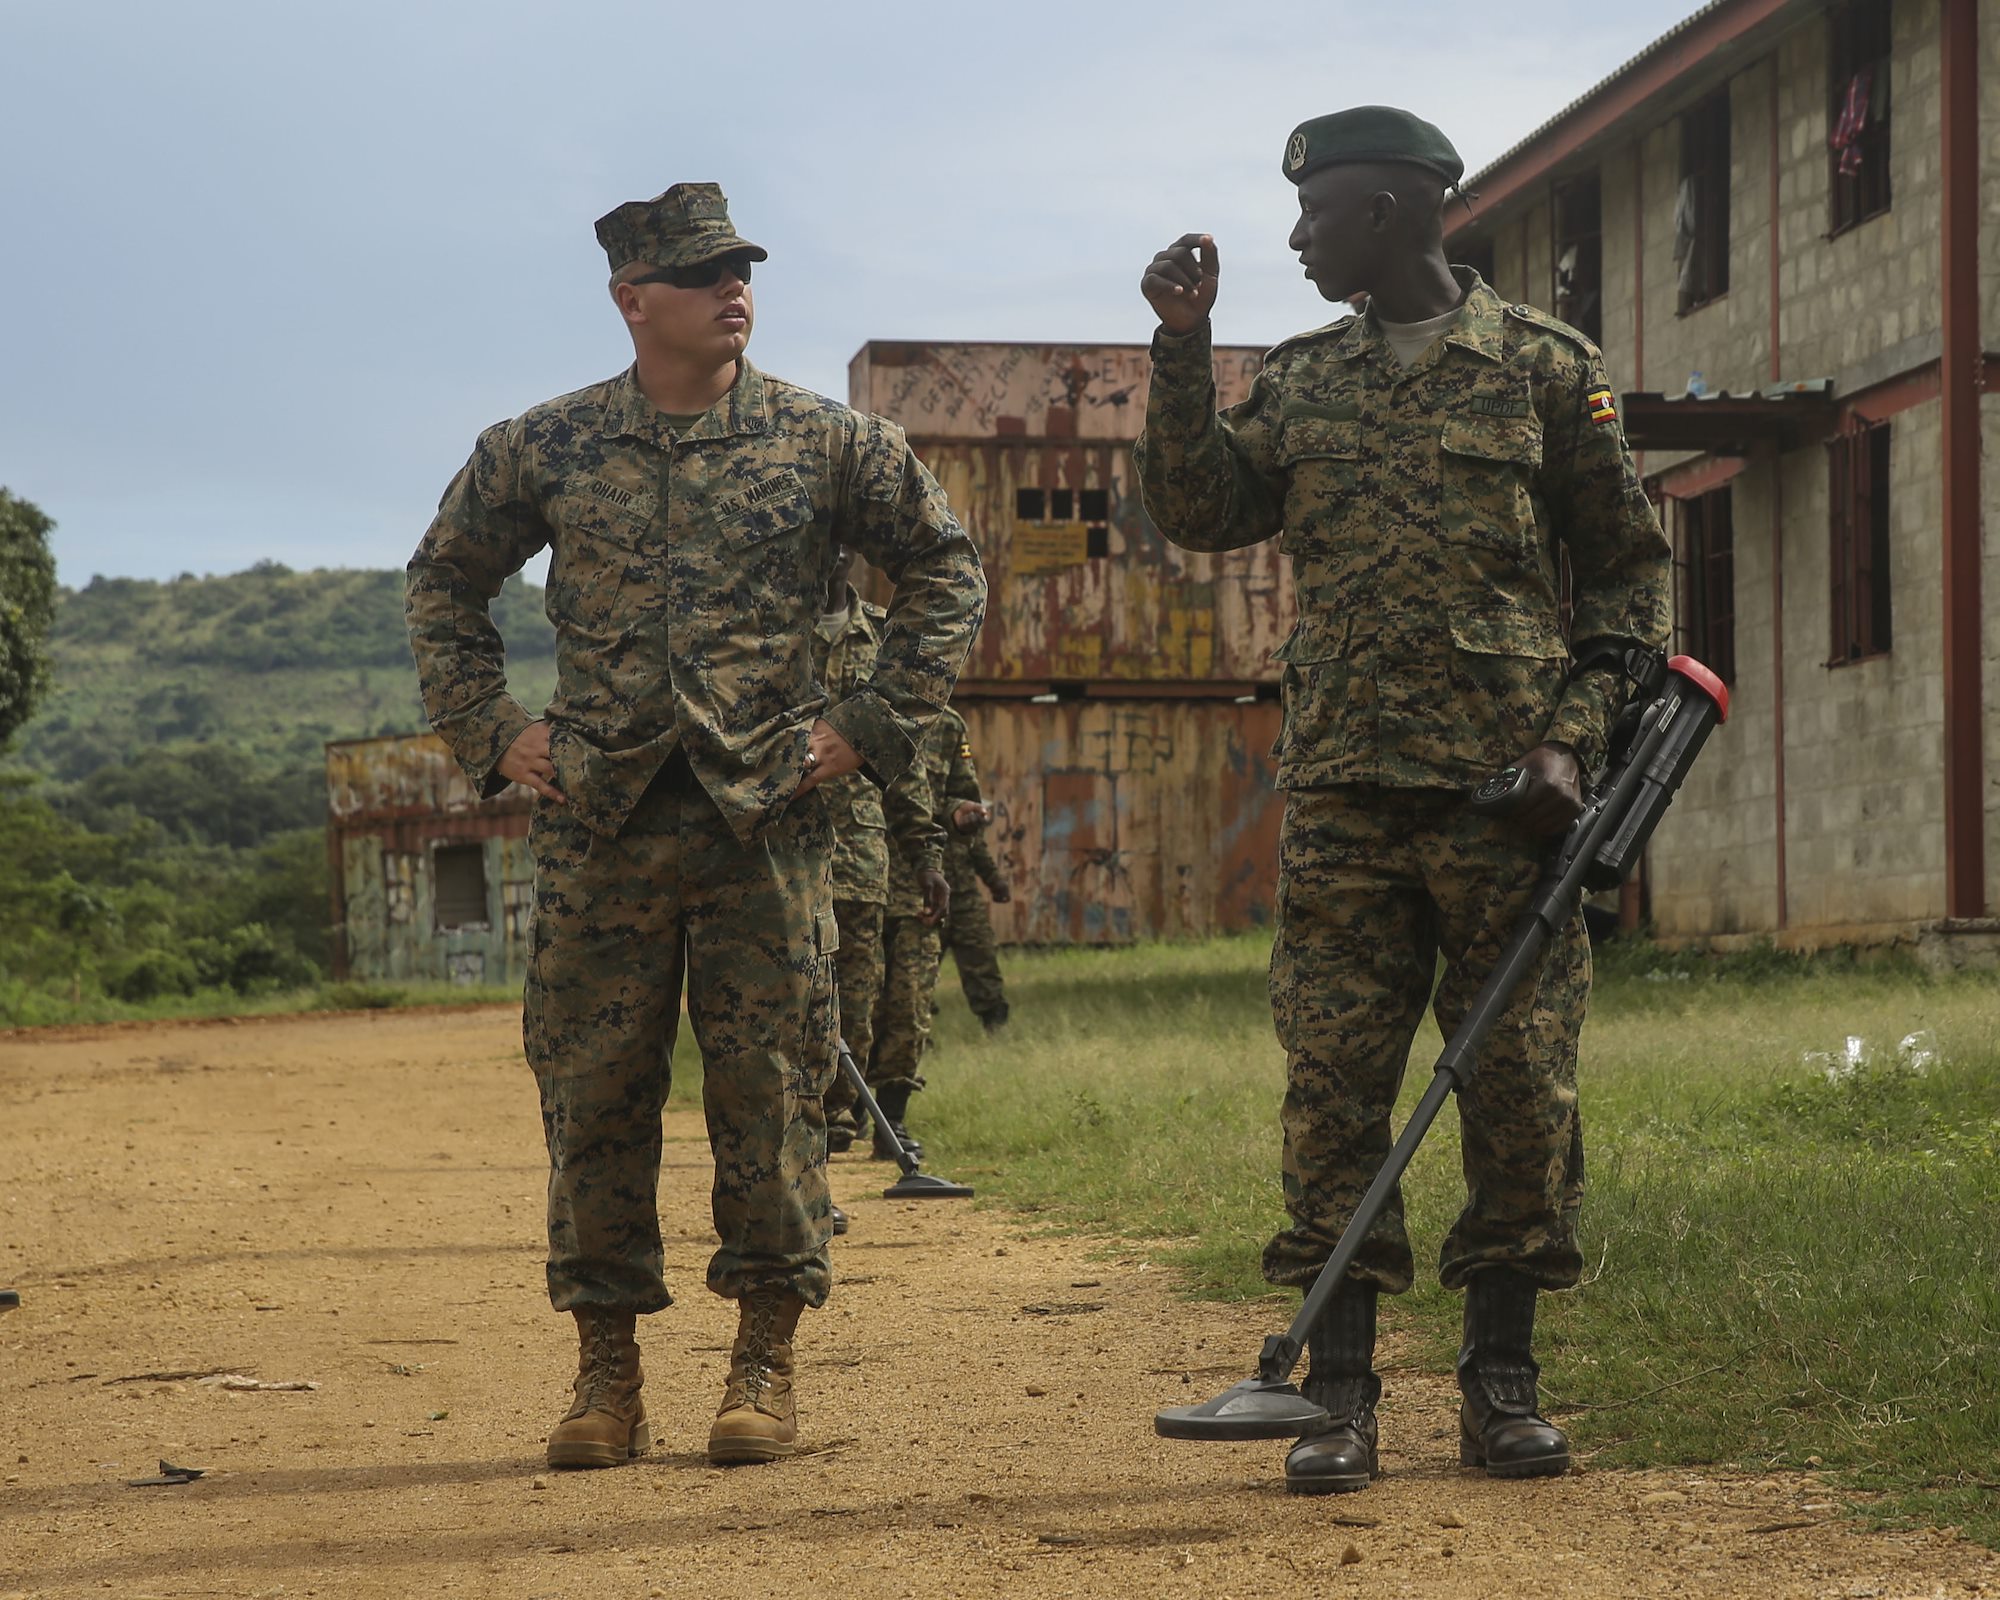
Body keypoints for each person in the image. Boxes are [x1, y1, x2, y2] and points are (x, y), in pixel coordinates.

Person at [406, 182, 984, 1471]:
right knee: (593, 1098)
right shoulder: (544, 449)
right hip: (599, 825)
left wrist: (868, 721)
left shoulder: (823, 442)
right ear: (631, 300)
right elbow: (444, 578)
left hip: (764, 826)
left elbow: (948, 567)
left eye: (740, 267)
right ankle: (604, 1375)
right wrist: (494, 728)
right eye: (699, 272)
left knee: (770, 1094)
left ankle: (761, 1363)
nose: (733, 288)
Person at [1134, 108, 1669, 1495]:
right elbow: (1198, 507)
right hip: (1348, 798)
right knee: (1333, 1092)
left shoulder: (1547, 372)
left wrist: (1572, 744)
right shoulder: (1306, 383)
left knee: (1517, 1093)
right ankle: (1343, 1395)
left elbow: (1626, 582)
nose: (1298, 237)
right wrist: (1182, 348)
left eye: (1318, 214)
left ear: (1395, 212)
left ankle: (1502, 1383)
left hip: (1510, 803)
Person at [810, 543, 950, 1152]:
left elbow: (902, 756)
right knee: (792, 1009)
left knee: (856, 1010)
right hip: (779, 856)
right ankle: (804, 1142)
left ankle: (837, 1128)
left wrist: (927, 858)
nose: (832, 554)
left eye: (841, 542)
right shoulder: (766, 633)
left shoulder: (881, 636)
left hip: (860, 860)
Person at [865, 706, 975, 1158]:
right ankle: (840, 1113)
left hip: (915, 891)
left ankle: (891, 1118)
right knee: (855, 1007)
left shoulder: (946, 725)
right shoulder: (846, 705)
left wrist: (963, 812)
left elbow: (957, 794)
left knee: (909, 1007)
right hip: (853, 881)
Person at [938, 718, 1010, 1032]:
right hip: (922, 895)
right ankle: (915, 1036)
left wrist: (994, 881)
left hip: (963, 894)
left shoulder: (961, 807)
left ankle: (994, 1022)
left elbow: (977, 847)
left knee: (981, 960)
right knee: (913, 973)